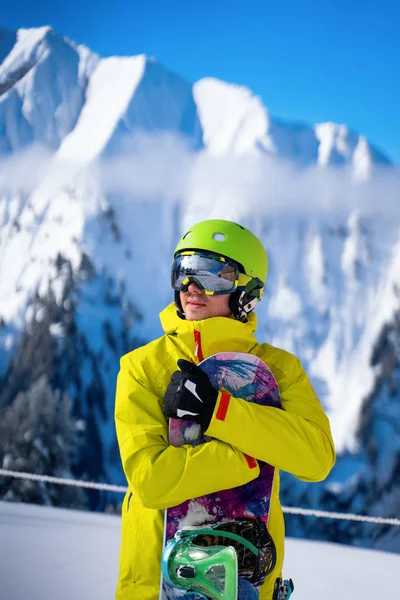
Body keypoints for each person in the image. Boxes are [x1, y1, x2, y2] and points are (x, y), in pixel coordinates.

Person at [114, 219, 335, 600]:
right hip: (153, 585)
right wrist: (252, 454)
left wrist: (219, 411)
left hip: (251, 584)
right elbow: (152, 483)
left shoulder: (280, 371)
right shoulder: (142, 368)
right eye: (184, 272)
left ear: (247, 293)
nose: (191, 288)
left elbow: (316, 458)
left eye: (213, 275)